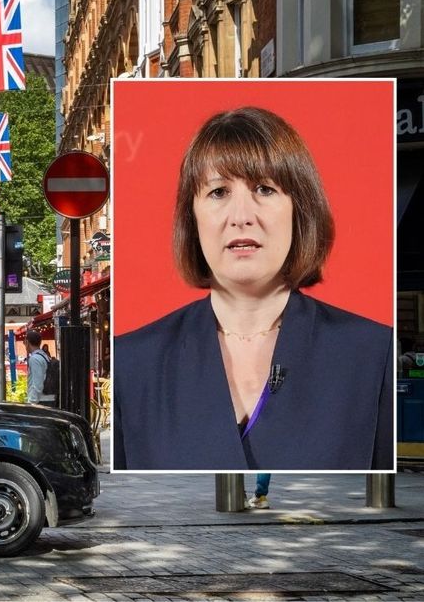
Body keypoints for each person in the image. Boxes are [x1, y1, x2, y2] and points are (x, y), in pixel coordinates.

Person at [114, 107, 393, 471]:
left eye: (265, 189)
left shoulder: (372, 354)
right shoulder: (134, 363)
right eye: (218, 192)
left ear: (299, 209)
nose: (241, 215)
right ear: (192, 218)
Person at [24, 330, 55, 407]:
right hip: (49, 398)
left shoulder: (35, 359)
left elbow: (37, 384)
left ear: (27, 342)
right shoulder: (44, 356)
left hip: (41, 401)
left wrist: (31, 403)